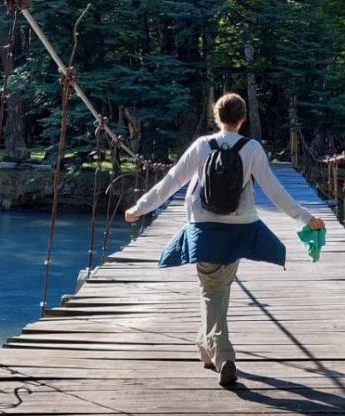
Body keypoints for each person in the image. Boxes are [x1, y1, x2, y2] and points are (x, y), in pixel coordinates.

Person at [125, 93, 324, 388]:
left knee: (212, 289)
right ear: (242, 119)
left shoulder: (202, 145)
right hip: (240, 228)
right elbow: (274, 190)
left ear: (216, 117)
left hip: (204, 229)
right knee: (217, 288)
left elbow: (171, 181)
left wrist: (139, 208)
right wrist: (306, 218)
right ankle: (207, 349)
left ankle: (224, 356)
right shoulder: (252, 148)